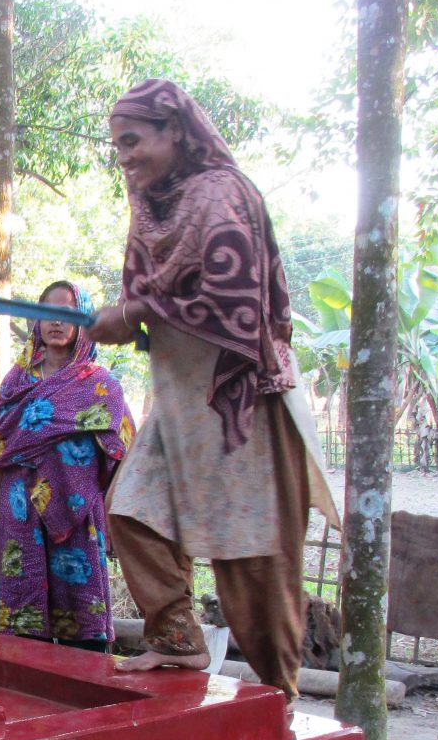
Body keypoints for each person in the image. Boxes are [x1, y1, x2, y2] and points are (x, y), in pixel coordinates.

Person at [87, 79, 338, 699]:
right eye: (117, 144)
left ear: (174, 130)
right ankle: (177, 640)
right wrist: (127, 317)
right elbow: (148, 304)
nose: (125, 155)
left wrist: (139, 309)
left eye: (133, 140)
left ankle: (279, 696)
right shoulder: (150, 206)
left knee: (251, 559)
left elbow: (238, 304)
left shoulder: (224, 194)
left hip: (241, 399)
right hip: (179, 403)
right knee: (131, 511)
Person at [0, 281, 134, 651]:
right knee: (24, 610)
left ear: (84, 322)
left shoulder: (102, 387)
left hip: (78, 513)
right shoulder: (15, 382)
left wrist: (115, 520)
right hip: (19, 509)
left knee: (82, 613)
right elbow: (0, 453)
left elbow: (121, 456)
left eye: (66, 314)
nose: (54, 323)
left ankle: (85, 698)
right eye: (46, 314)